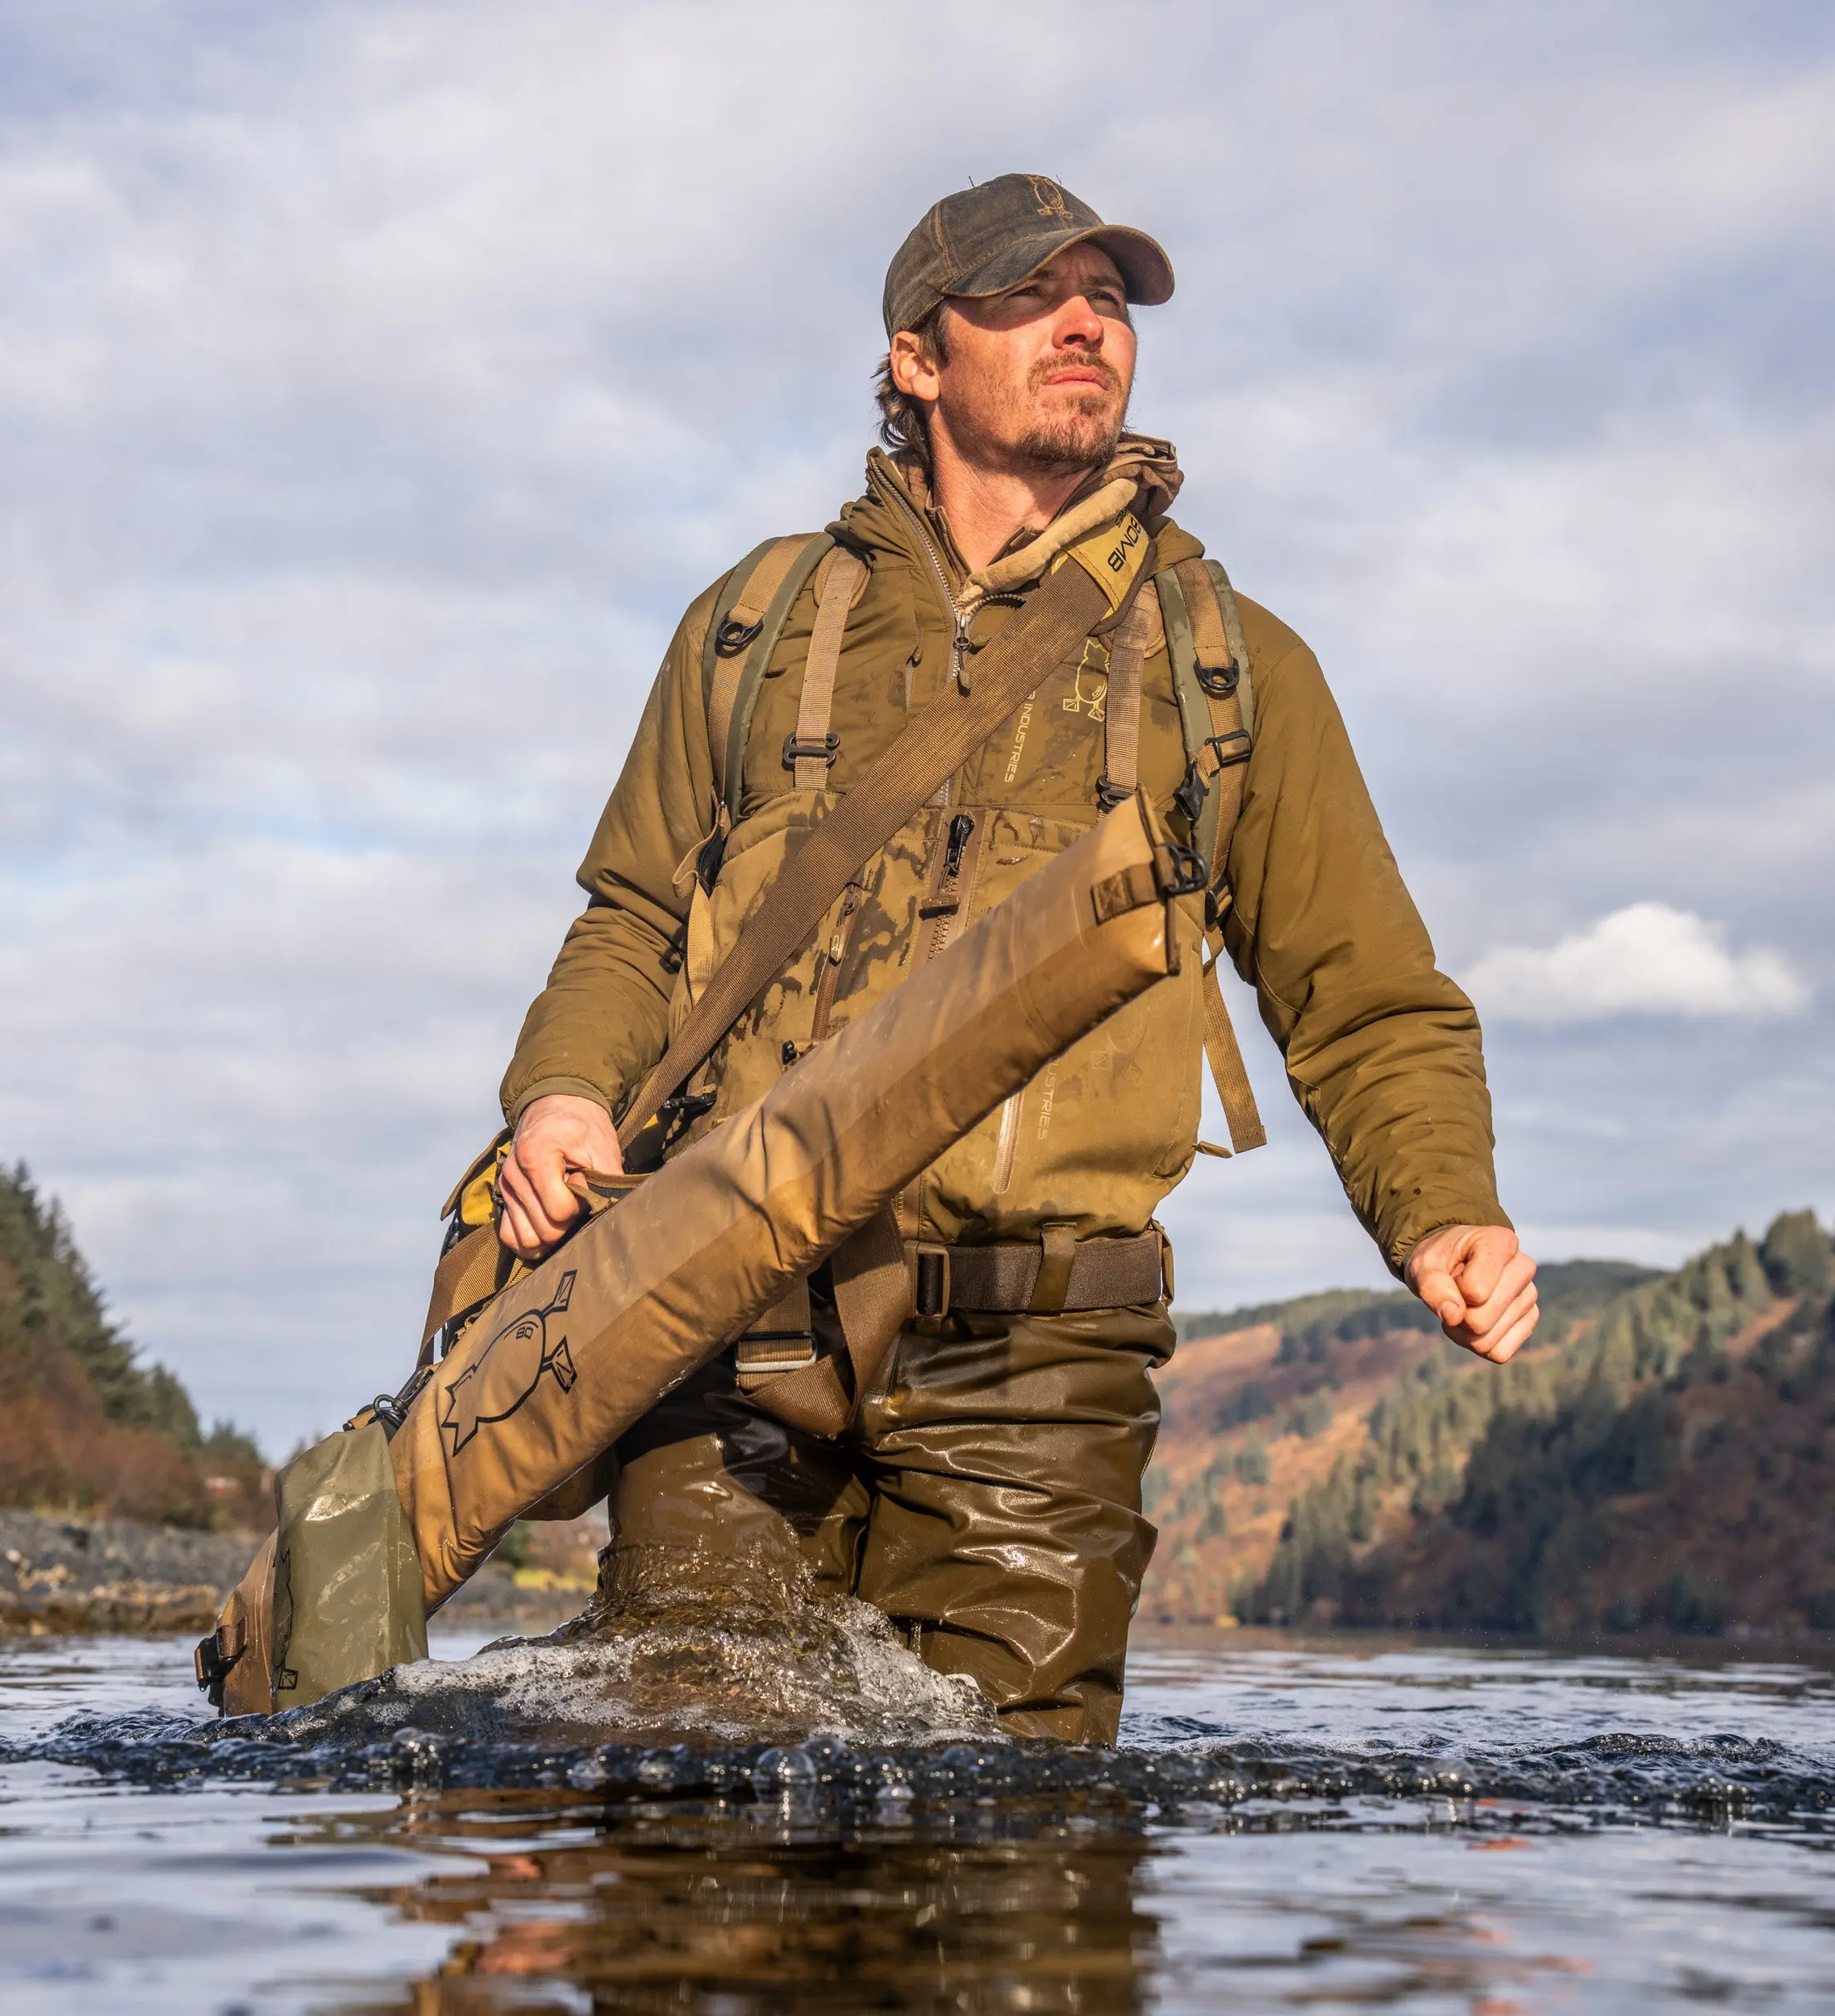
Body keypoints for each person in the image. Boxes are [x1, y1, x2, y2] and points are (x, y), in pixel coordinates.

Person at [486, 173, 1537, 1739]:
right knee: (690, 1799)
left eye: (1106, 299)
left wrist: (1442, 1204)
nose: (1084, 324)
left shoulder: (1233, 663)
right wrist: (566, 1093)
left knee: (1011, 1844)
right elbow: (633, 915)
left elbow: (1364, 995)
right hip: (721, 1306)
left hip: (1040, 1354)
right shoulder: (752, 628)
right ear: (916, 358)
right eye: (1030, 295)